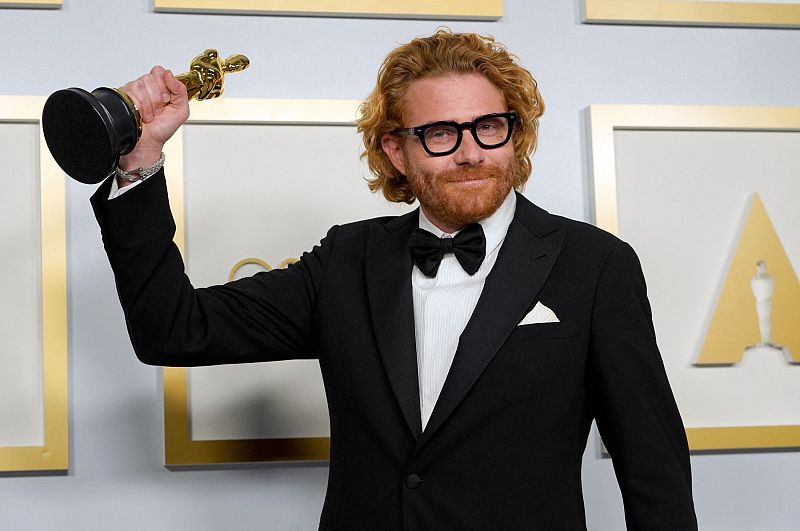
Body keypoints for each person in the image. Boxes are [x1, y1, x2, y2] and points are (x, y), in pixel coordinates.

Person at [90, 30, 697, 530]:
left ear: (516, 133)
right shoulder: (348, 259)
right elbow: (174, 330)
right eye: (440, 133)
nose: (470, 153)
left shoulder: (595, 265)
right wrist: (140, 159)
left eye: (490, 126)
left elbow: (653, 469)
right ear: (396, 150)